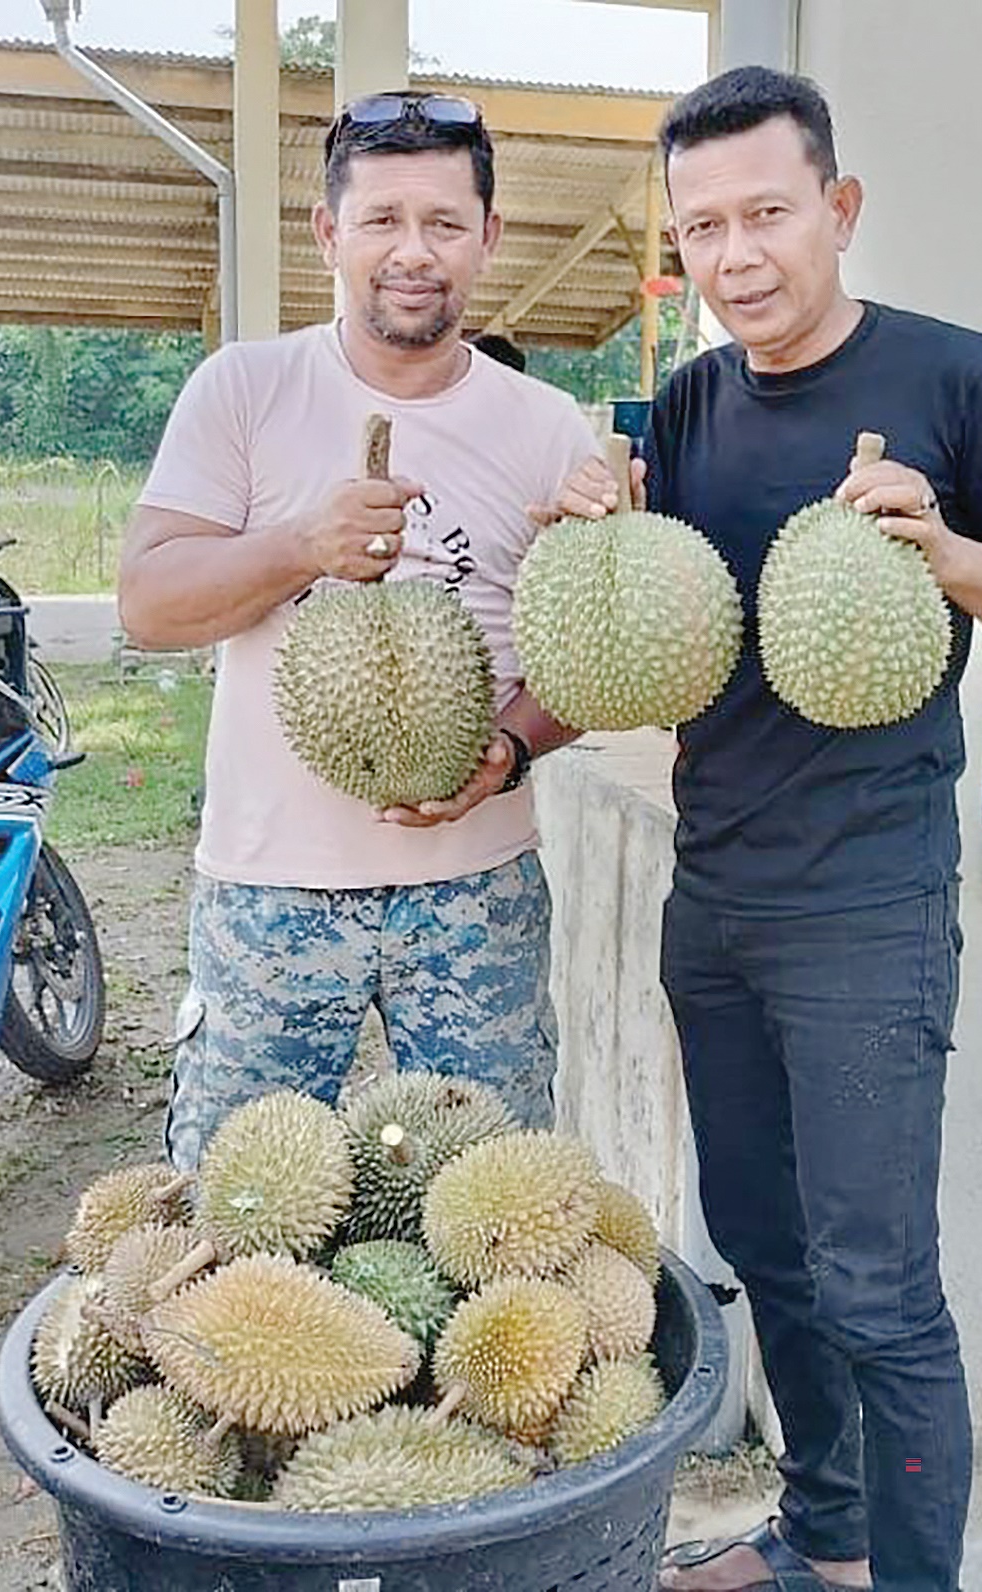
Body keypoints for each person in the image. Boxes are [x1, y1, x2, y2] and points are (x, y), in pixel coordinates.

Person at [548, 66, 982, 1592]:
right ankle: (825, 1535)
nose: (738, 255)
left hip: (866, 905)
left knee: (879, 1286)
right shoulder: (687, 400)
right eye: (706, 226)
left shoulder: (956, 378)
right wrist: (603, 520)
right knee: (768, 1250)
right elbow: (653, 618)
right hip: (713, 886)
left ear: (838, 209)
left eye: (768, 213)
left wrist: (946, 548)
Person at [120, 90, 597, 1170]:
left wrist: (513, 744)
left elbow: (586, 663)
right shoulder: (243, 390)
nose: (412, 252)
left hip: (476, 892)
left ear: (488, 238)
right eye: (381, 219)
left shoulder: (548, 428)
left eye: (442, 223)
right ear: (330, 234)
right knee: (237, 1208)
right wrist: (300, 544)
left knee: (493, 1205)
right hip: (268, 891)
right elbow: (148, 603)